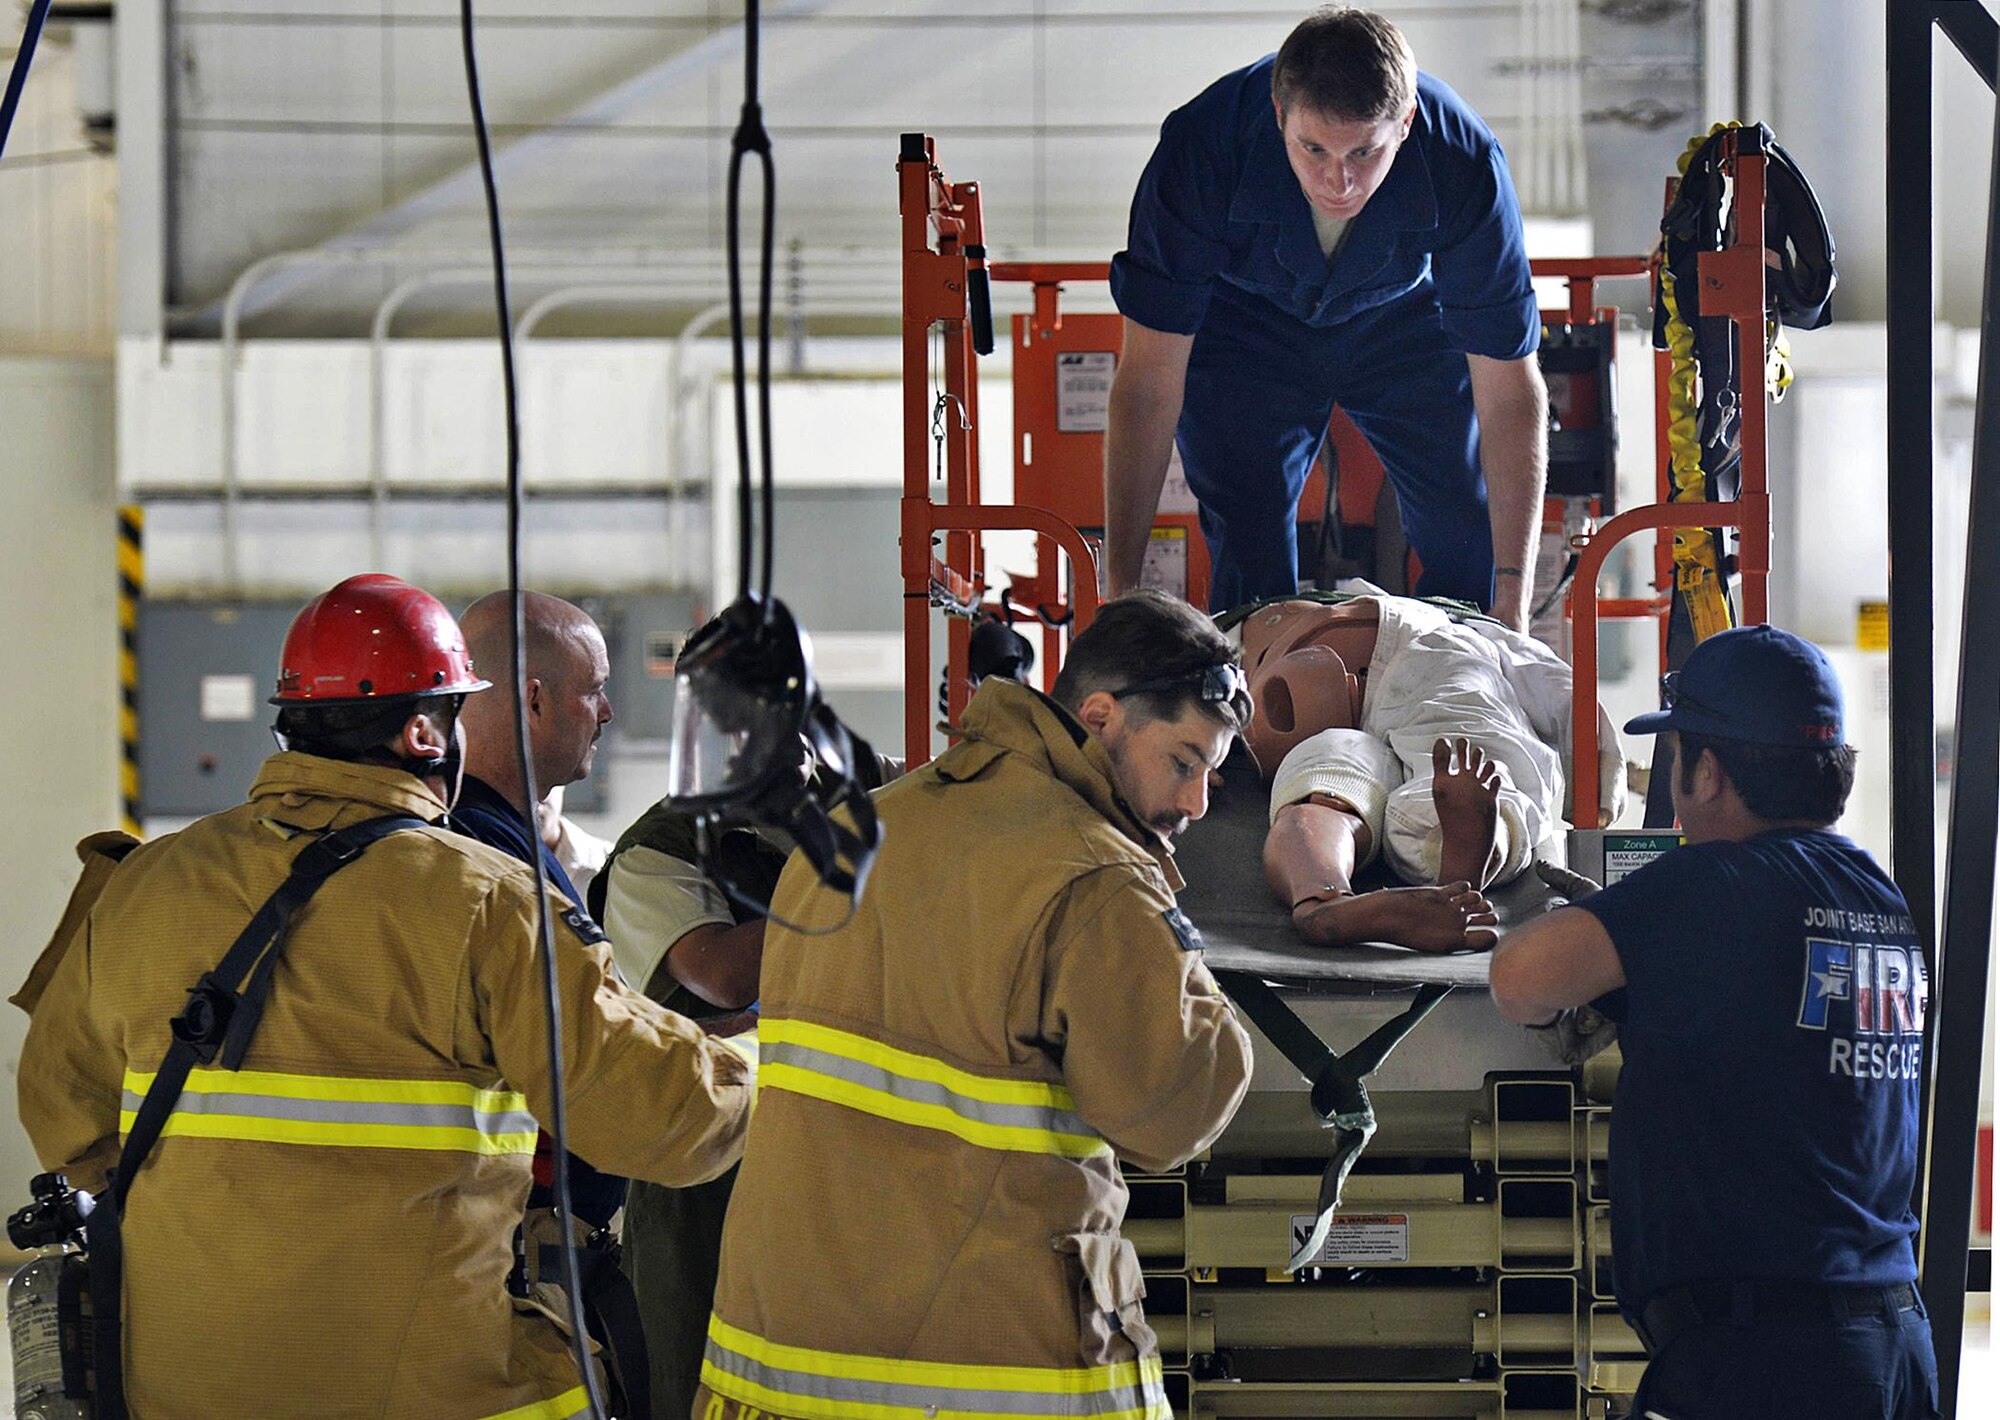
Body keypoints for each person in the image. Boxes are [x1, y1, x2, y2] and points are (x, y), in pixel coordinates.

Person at [15, 573, 752, 1419]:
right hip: (424, 1385)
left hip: (179, 1383)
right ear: (426, 733)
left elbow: (63, 1118)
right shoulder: (490, 902)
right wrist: (752, 1066)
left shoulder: (142, 881)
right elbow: (664, 1122)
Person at [693, 590, 1257, 1420]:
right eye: (1184, 761)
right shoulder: (1097, 883)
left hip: (770, 1377)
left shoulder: (854, 834)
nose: (1197, 803)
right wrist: (1182, 952)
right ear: (1101, 717)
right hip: (987, 1383)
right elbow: (1172, 1111)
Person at [1487, 625, 1938, 1418]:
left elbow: (1518, 981)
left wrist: (1603, 926)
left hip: (1766, 1365)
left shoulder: (1714, 883)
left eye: (1674, 758)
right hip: (1890, 1345)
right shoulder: (1875, 894)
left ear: (1710, 770)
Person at [1105, 5, 1547, 627]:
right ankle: (1255, 690)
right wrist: (1118, 589)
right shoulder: (1201, 148)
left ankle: (1462, 684)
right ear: (1279, 112)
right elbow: (1148, 382)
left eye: (1364, 152)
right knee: (1247, 515)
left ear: (1406, 122)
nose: (1338, 180)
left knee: (1462, 517)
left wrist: (1513, 599)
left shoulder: (1464, 158)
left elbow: (1507, 391)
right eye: (1313, 148)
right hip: (1243, 326)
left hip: (1406, 323)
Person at [451, 589, 643, 1407]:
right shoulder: (489, 869)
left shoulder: (497, 841)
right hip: (506, 1269)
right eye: (592, 687)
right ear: (533, 699)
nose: (606, 710)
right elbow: (605, 1078)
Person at [1240, 592, 1623, 950]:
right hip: (1427, 660)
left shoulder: (1230, 632)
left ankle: (1319, 896)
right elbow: (1561, 689)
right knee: (1471, 746)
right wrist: (1599, 781)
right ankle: (1456, 860)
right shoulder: (1469, 627)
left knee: (1323, 787)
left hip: (1334, 709)